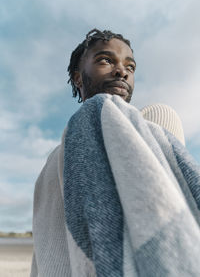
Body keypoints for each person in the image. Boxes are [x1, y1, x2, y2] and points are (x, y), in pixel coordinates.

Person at [31, 29, 200, 277]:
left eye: (130, 67)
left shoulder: (55, 160)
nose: (122, 71)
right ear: (78, 78)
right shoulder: (52, 165)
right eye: (106, 60)